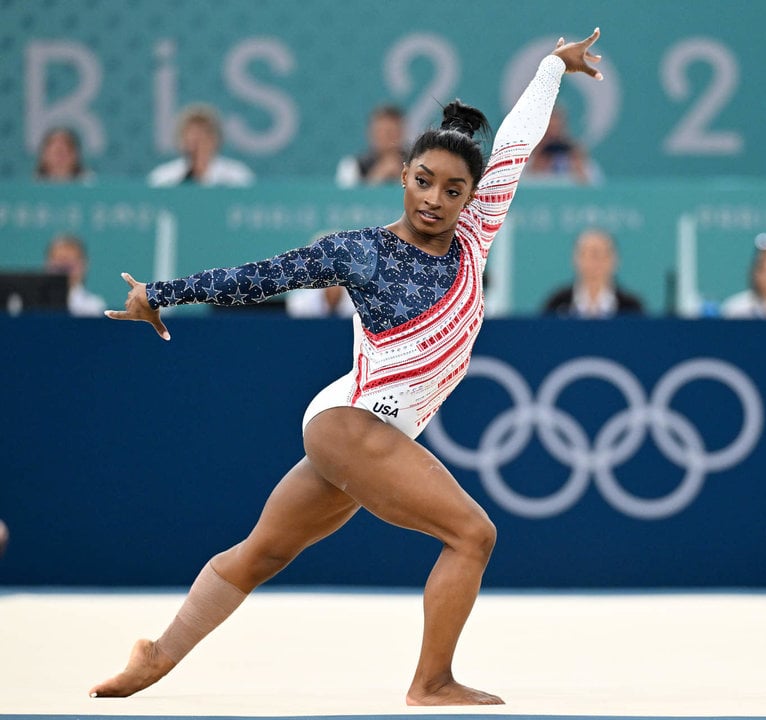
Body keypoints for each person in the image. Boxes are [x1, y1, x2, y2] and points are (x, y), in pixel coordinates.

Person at [91, 28, 604, 706]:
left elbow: (514, 142)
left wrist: (548, 68)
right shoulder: (361, 251)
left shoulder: (477, 234)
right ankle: (432, 682)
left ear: (470, 197)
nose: (434, 199)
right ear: (403, 177)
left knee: (262, 553)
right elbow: (265, 275)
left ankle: (154, 657)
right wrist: (160, 295)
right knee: (472, 534)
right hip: (348, 424)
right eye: (423, 181)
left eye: (453, 190)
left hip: (373, 434)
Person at [541, 227, 643, 317]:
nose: (591, 262)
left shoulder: (631, 308)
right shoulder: (557, 305)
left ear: (614, 259)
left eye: (598, 254)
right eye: (584, 254)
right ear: (575, 259)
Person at [147, 104, 255, 187]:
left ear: (216, 139)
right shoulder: (163, 178)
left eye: (204, 134)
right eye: (191, 136)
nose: (198, 141)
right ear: (181, 141)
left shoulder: (237, 176)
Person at [525, 106, 603, 185]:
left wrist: (580, 169)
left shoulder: (578, 160)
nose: (552, 141)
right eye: (547, 133)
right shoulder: (522, 161)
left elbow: (597, 188)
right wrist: (534, 168)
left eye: (557, 131)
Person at [336, 104, 409, 187]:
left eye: (390, 132)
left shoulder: (416, 164)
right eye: (380, 131)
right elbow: (345, 197)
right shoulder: (352, 165)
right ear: (370, 133)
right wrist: (377, 177)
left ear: (402, 132)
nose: (385, 137)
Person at [45, 233, 106, 317]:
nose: (63, 267)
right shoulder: (32, 306)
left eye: (70, 261)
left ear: (84, 265)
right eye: (58, 260)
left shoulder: (94, 307)